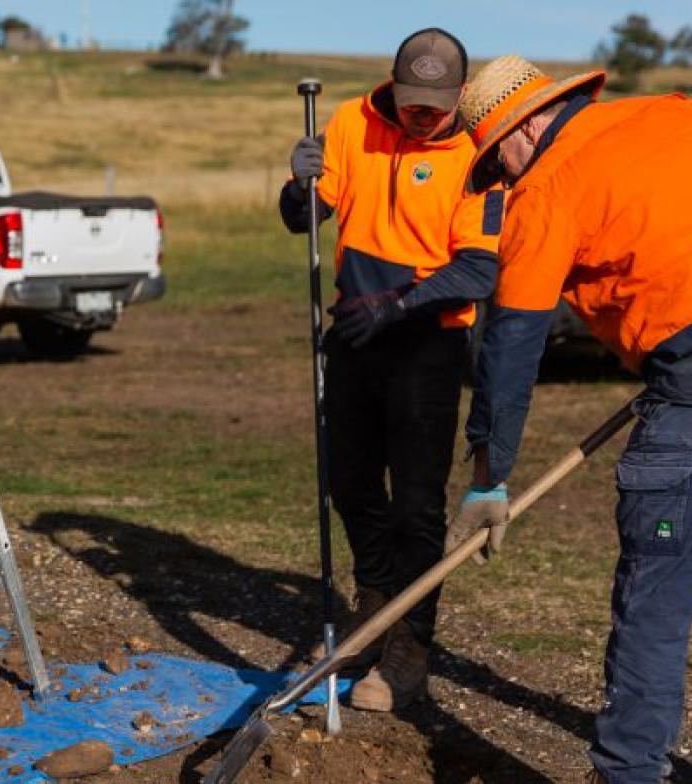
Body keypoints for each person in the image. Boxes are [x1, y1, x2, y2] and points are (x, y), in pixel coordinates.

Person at [448, 54, 692, 784]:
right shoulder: (676, 113)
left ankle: (627, 774)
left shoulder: (546, 191)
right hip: (690, 369)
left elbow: (510, 349)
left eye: (497, 159)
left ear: (524, 127)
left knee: (654, 605)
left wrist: (488, 479)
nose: (501, 180)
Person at [279, 28, 503, 712]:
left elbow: (476, 268)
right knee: (349, 485)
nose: (422, 115)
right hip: (353, 334)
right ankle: (371, 610)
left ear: (459, 94)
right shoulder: (351, 122)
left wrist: (398, 302)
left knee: (416, 506)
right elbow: (303, 219)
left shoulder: (480, 155)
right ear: (393, 86)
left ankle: (409, 646)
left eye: (435, 103)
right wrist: (299, 180)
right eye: (411, 101)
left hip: (426, 346)